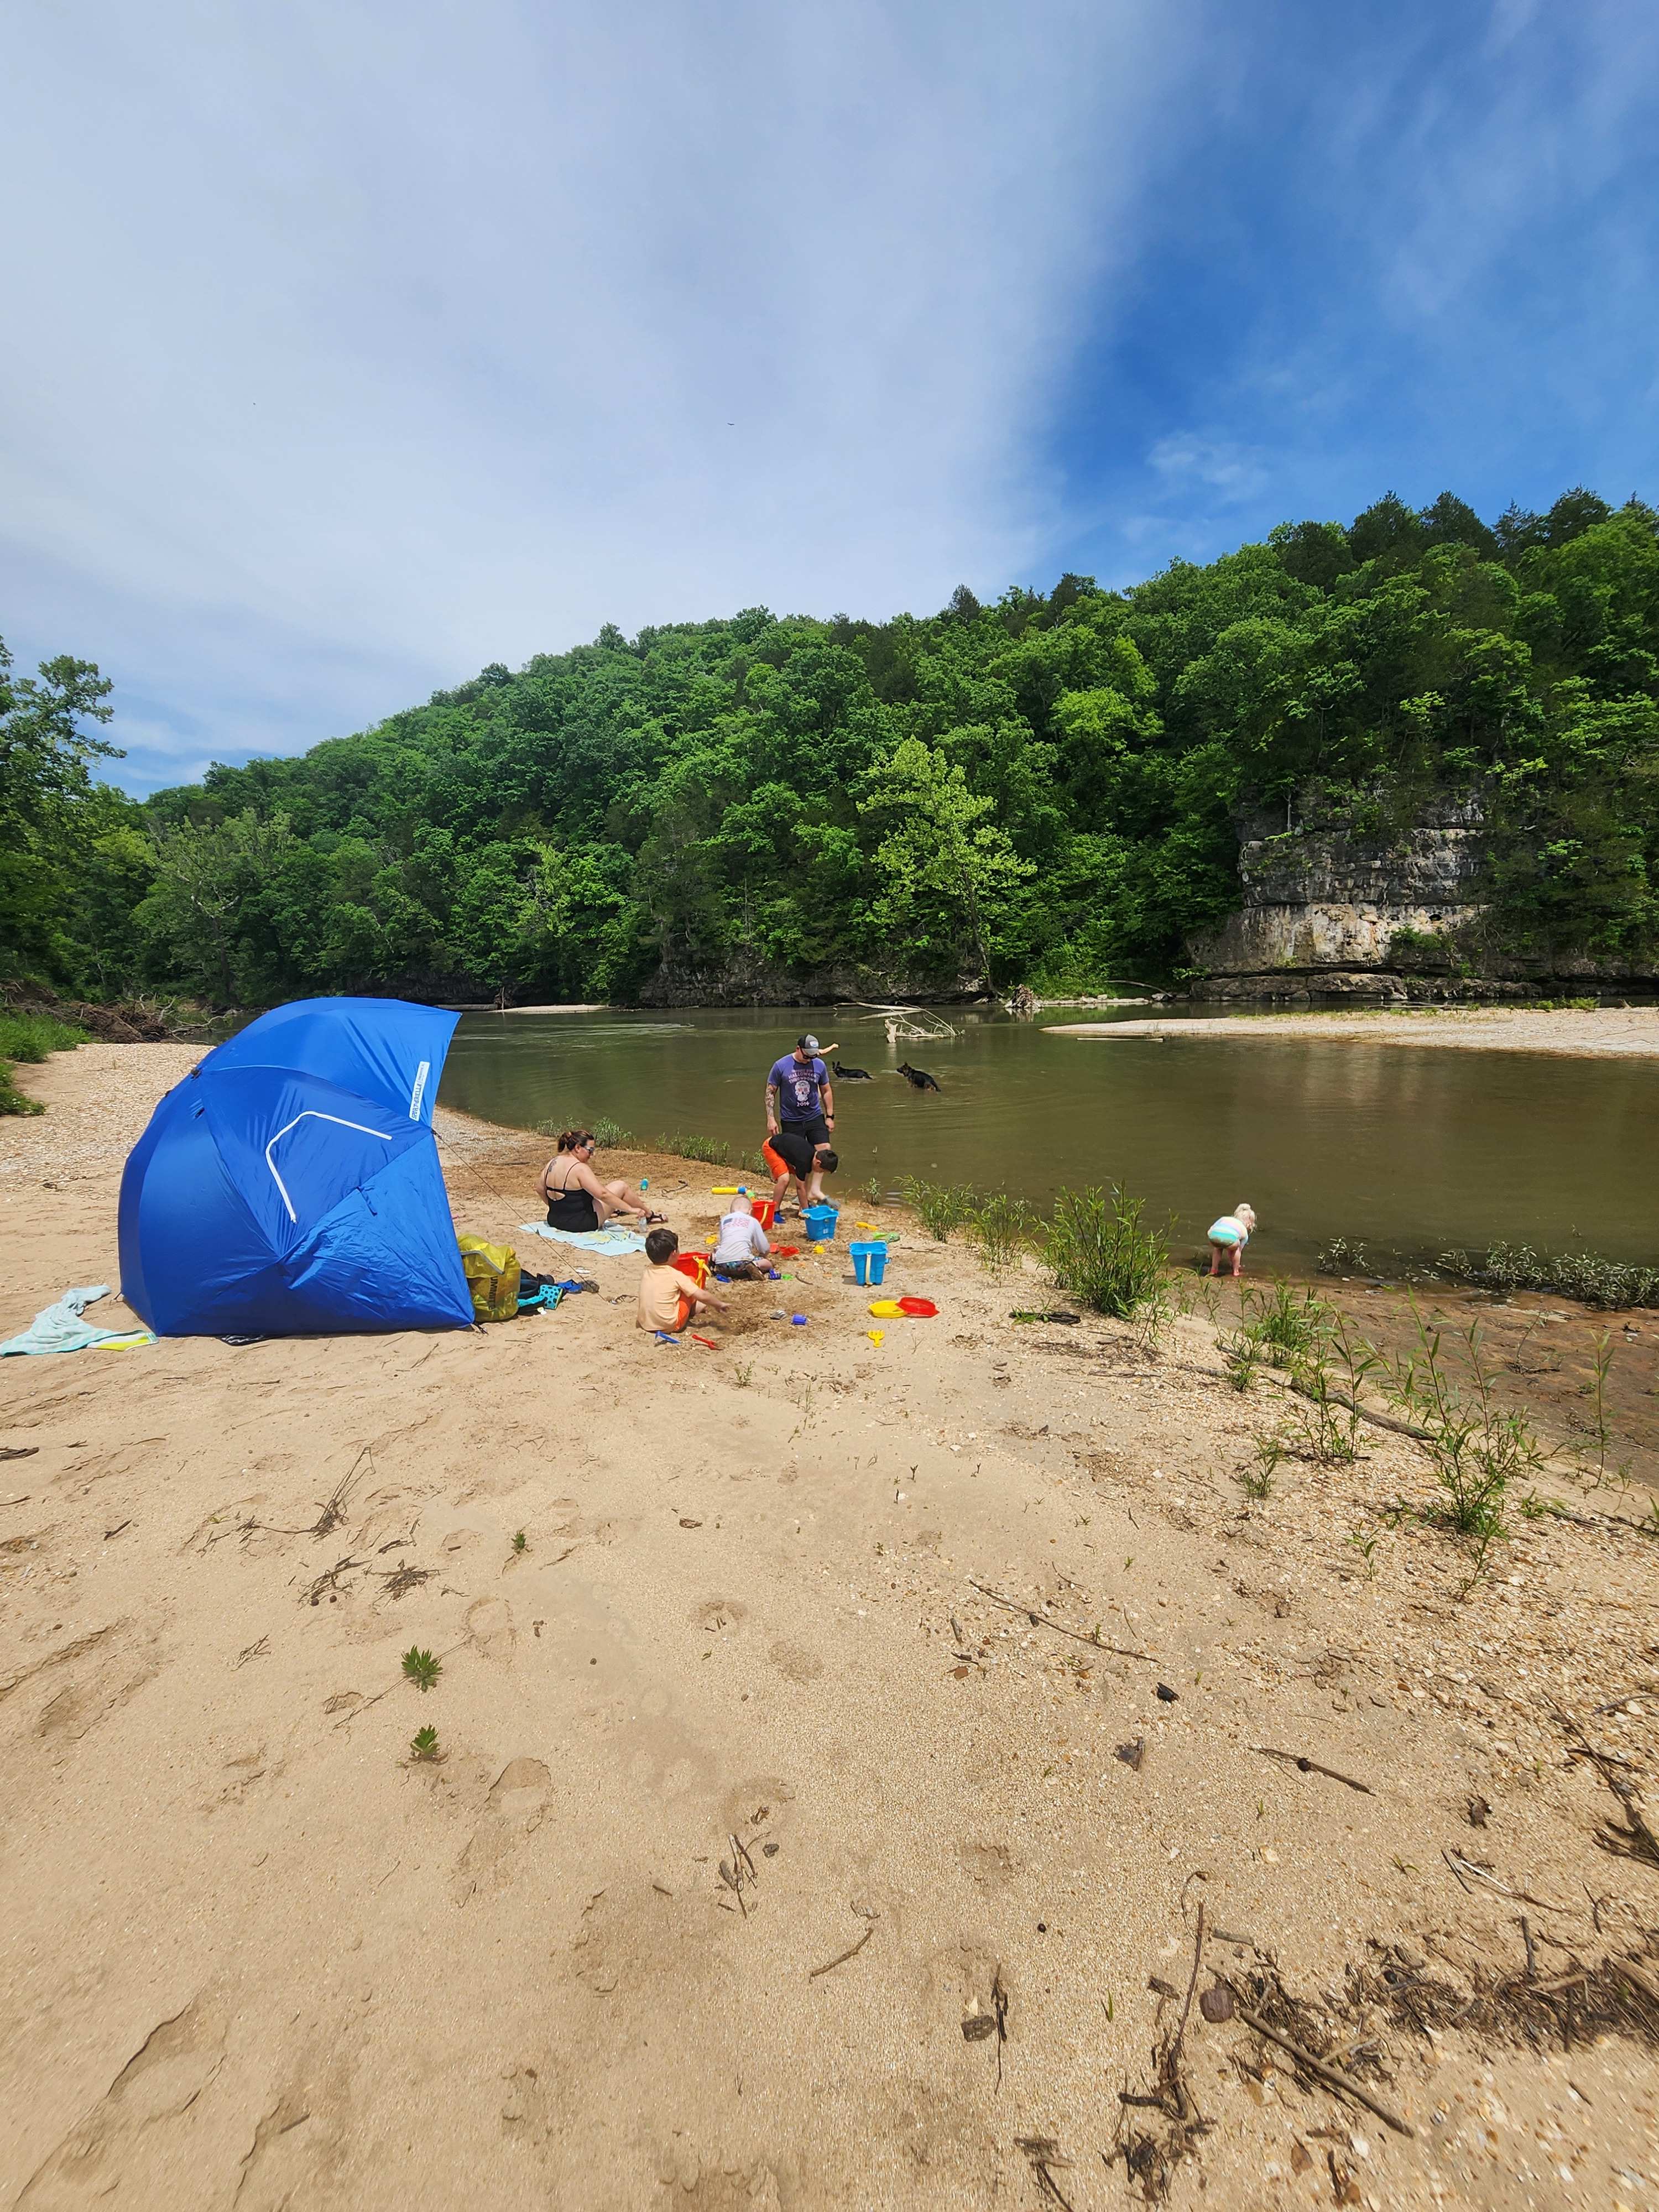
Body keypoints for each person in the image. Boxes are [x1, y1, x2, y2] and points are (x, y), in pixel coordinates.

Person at [765, 1034, 836, 1213]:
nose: (809, 1060)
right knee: (798, 1160)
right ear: (798, 1049)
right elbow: (770, 1092)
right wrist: (771, 1117)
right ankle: (800, 1190)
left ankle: (814, 1191)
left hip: (814, 1115)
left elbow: (826, 1090)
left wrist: (830, 1116)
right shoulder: (781, 1066)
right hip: (791, 1119)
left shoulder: (819, 1065)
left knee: (824, 1150)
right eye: (807, 1056)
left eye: (813, 1056)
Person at [539, 1129, 659, 1233]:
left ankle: (619, 1209)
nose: (592, 1155)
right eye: (590, 1150)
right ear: (578, 1148)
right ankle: (649, 1215)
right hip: (580, 1224)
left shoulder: (552, 1162)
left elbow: (539, 1189)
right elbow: (603, 1194)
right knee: (621, 1186)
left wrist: (559, 1208)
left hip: (554, 1219)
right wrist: (632, 1210)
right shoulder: (580, 1168)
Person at [637, 1227, 728, 1333]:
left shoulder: (647, 1271)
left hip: (646, 1324)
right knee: (690, 1282)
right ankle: (697, 1307)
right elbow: (702, 1295)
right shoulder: (674, 1275)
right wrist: (719, 1304)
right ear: (674, 1253)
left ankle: (696, 1307)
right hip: (670, 1325)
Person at [711, 1191, 771, 1280]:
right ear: (750, 1211)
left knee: (719, 1252)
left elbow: (724, 1241)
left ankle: (714, 1264)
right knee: (767, 1263)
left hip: (722, 1264)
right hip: (742, 1263)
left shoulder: (725, 1220)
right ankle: (754, 1265)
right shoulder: (752, 1221)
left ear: (731, 1212)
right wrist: (764, 1255)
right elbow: (764, 1247)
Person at [1207, 1202, 1258, 1278]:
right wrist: (1235, 1262)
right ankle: (1236, 1271)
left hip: (1213, 1238)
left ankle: (1214, 1269)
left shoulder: (1224, 1219)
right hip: (1231, 1240)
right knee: (1236, 1249)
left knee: (1218, 1248)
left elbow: (1212, 1229)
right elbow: (1236, 1253)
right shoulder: (1243, 1230)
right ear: (1249, 1224)